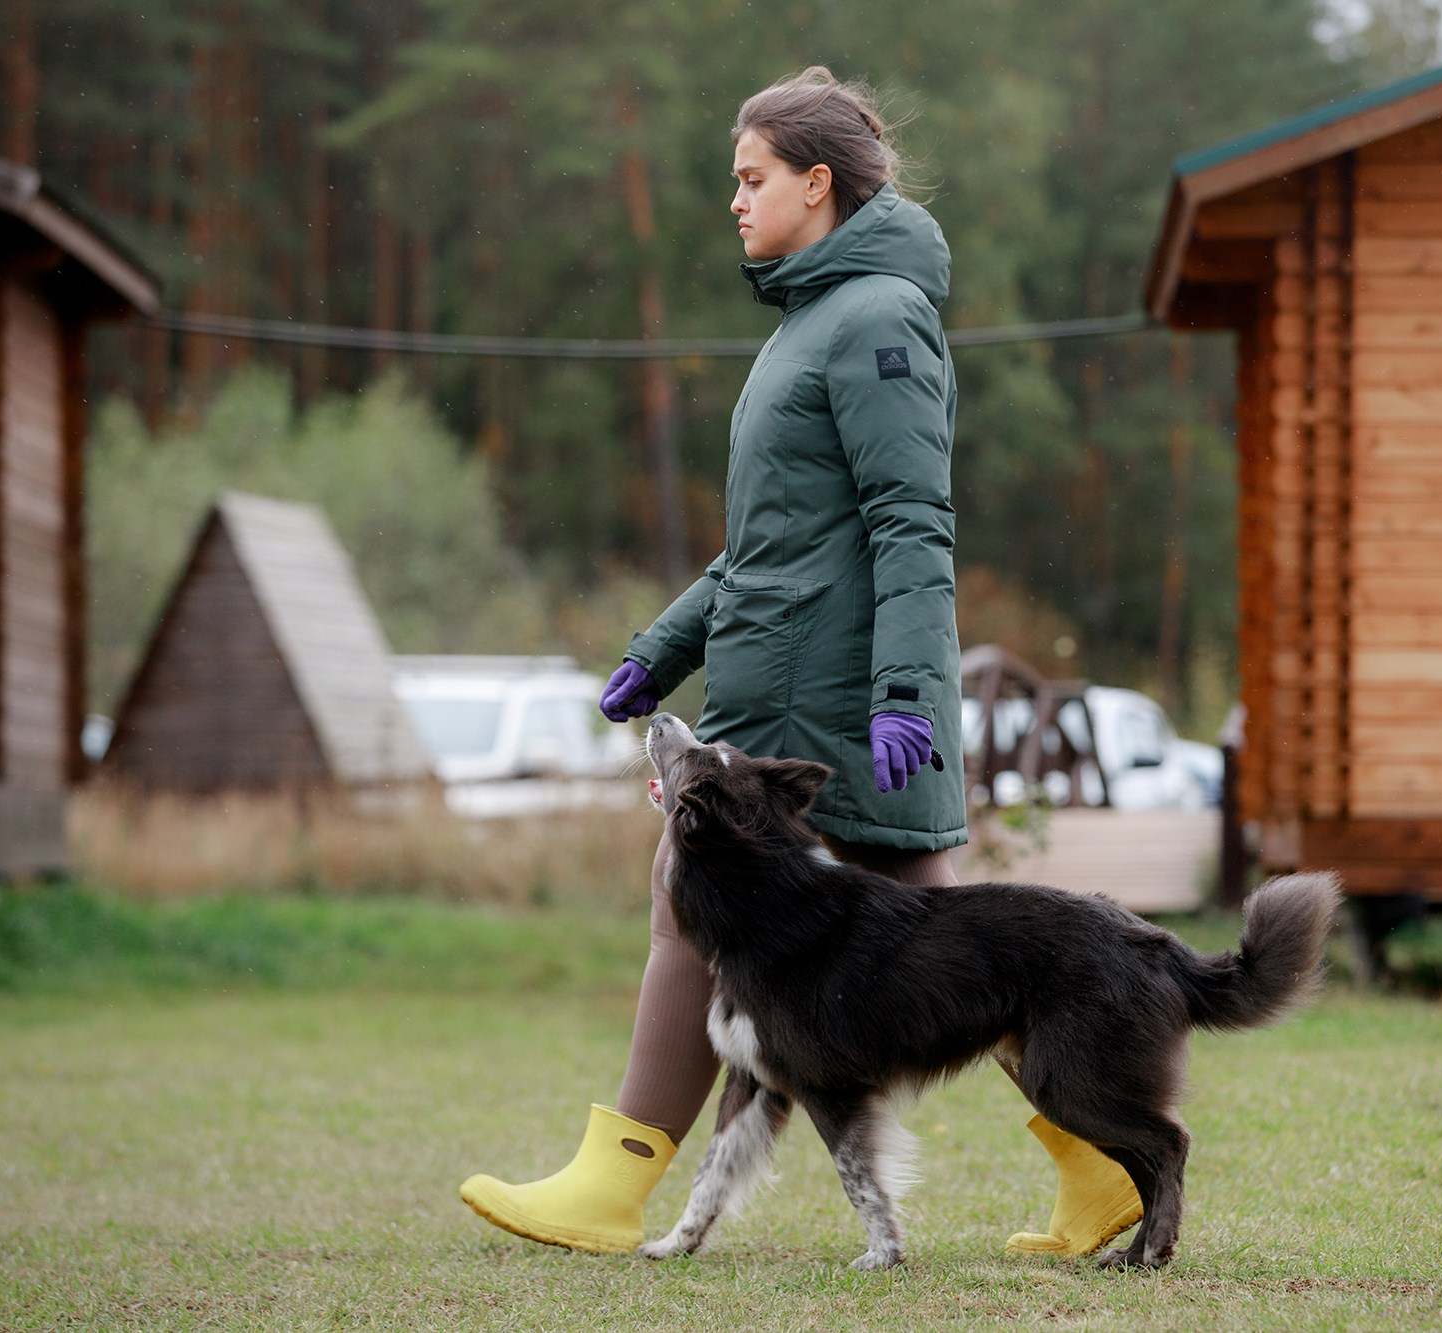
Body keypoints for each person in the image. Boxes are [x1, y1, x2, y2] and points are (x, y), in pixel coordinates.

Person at [458, 66, 1140, 1259]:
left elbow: (909, 524)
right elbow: (766, 550)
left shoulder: (874, 320)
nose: (733, 200)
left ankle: (610, 1186)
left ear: (815, 184)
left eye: (750, 177)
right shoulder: (808, 325)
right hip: (780, 690)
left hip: (842, 704)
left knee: (732, 912)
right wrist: (657, 653)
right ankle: (1098, 1174)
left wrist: (898, 696)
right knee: (933, 946)